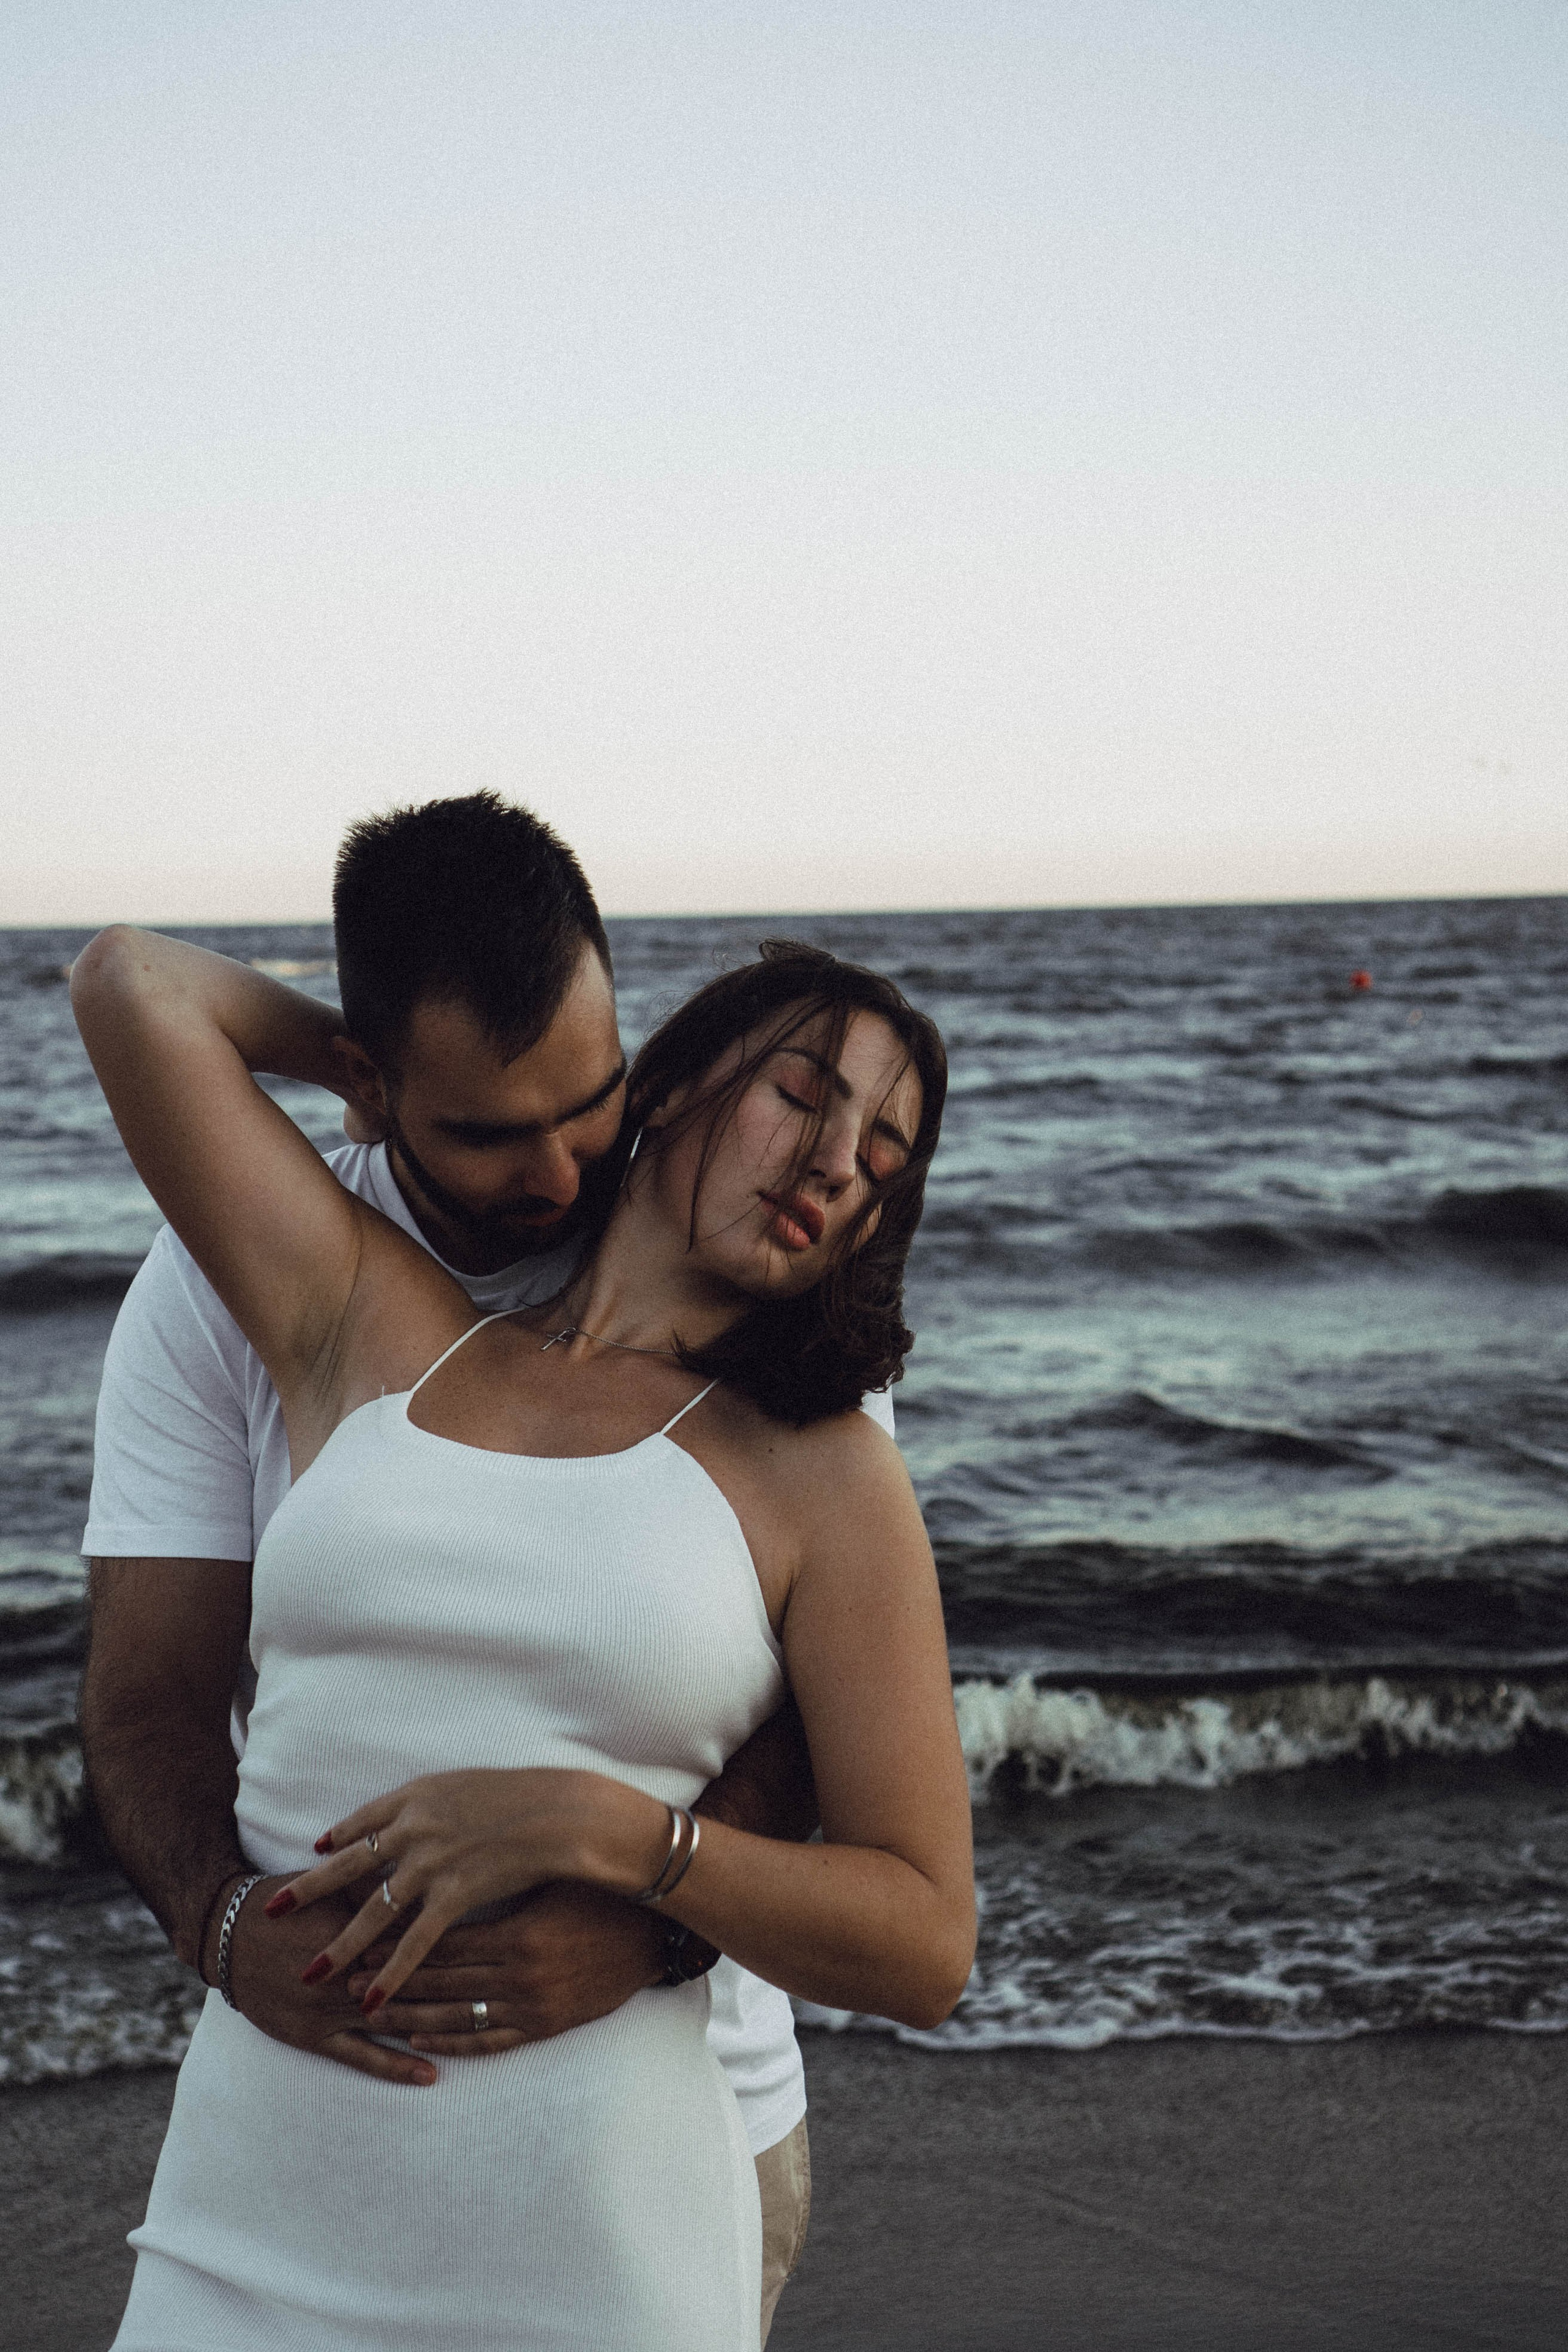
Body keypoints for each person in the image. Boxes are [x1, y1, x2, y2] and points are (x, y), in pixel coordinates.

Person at [73, 903, 975, 2348]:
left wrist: (619, 1838)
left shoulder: (826, 1469)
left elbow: (926, 1940)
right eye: (802, 1095)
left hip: (592, 2238)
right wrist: (375, 1070)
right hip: (254, 2203)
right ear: (659, 1086)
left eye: (878, 1157)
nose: (832, 1161)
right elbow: (134, 987)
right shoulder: (381, 1329)